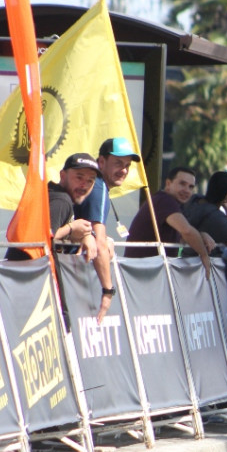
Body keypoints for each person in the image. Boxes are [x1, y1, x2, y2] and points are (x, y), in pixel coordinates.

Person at [73, 136, 139, 323]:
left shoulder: (97, 186)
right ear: (101, 162)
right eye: (118, 163)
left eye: (127, 165)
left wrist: (101, 238)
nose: (124, 170)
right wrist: (108, 291)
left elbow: (93, 234)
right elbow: (100, 245)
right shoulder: (99, 187)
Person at [5, 153, 99, 261]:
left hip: (21, 269)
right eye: (79, 177)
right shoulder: (61, 200)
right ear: (63, 176)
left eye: (90, 181)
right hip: (28, 271)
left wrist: (87, 235)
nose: (84, 185)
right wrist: (71, 228)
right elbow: (41, 239)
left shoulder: (51, 193)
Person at [124, 166, 211, 267]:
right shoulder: (165, 200)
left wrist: (201, 235)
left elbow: (183, 236)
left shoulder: (170, 202)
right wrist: (204, 256)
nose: (187, 190)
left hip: (146, 270)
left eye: (191, 187)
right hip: (142, 271)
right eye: (182, 184)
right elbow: (186, 231)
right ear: (168, 183)